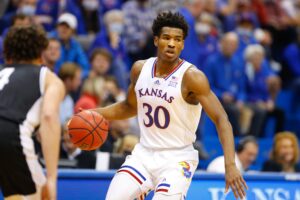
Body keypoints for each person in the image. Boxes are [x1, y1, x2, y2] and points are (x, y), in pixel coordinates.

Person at [86, 12, 247, 199]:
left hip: (177, 159)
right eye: (167, 38)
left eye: (177, 39)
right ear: (156, 40)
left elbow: (221, 120)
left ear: (183, 44)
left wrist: (230, 165)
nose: (172, 43)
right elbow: (129, 107)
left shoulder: (192, 77)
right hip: (143, 155)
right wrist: (93, 114)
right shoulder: (140, 69)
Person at [0, 26, 65, 199]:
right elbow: (49, 116)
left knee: (14, 195)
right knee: (40, 194)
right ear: (41, 53)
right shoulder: (48, 77)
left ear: (7, 53)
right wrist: (51, 178)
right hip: (10, 134)